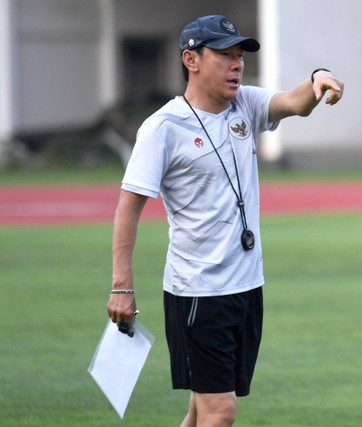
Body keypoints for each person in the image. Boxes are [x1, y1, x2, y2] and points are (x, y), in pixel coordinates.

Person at [106, 14, 344, 427]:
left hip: (247, 286)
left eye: (240, 56)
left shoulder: (245, 105)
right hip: (198, 291)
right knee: (221, 410)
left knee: (202, 410)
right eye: (224, 55)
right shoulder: (162, 128)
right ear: (191, 60)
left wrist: (317, 77)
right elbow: (128, 207)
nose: (237, 64)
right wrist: (122, 286)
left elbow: (294, 103)